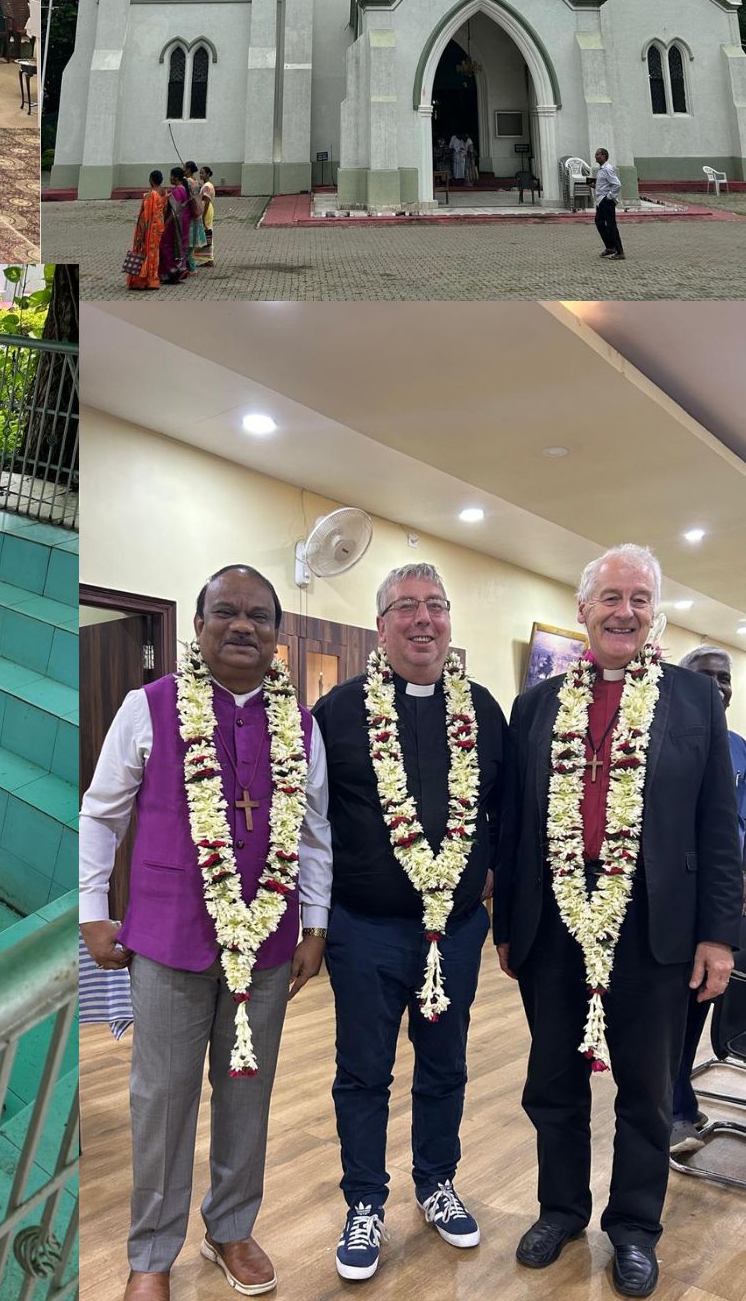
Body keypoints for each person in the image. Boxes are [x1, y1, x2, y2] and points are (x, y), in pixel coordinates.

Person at [80, 565, 332, 1301]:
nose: (242, 626)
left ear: (278, 635)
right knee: (160, 1096)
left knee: (246, 1090)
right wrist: (92, 910)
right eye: (225, 611)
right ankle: (151, 1252)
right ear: (197, 627)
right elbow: (101, 812)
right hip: (165, 936)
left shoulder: (302, 725)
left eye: (258, 615)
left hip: (268, 943)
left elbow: (314, 833)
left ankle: (229, 1228)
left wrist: (314, 922)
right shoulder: (148, 705)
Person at [494, 544, 740, 1297]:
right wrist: (508, 925)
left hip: (656, 924)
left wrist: (718, 936)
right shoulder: (535, 706)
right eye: (609, 597)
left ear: (653, 612)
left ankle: (633, 1228)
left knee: (645, 1086)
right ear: (582, 610)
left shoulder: (692, 702)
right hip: (555, 921)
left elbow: (715, 831)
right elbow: (512, 824)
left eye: (638, 598)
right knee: (553, 1080)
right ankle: (560, 1209)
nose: (623, 611)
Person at [313, 565, 507, 1280]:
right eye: (405, 609)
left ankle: (436, 1183)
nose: (422, 620)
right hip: (365, 929)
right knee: (362, 1073)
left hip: (454, 932)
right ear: (380, 624)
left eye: (434, 607)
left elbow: (504, 814)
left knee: (445, 1065)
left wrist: (492, 890)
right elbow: (311, 824)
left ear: (448, 620)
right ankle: (364, 1200)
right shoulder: (336, 712)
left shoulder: (483, 710)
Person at [669, 646, 746, 1148]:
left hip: (724, 903)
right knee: (670, 1013)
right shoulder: (664, 738)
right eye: (705, 676)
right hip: (672, 902)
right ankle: (674, 1107)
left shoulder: (740, 747)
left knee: (701, 1001)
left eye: (725, 677)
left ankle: (678, 1101)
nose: (716, 686)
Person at [125, 171, 166, 290]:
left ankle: (143, 280)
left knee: (144, 252)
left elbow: (145, 215)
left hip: (148, 229)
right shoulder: (163, 192)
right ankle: (152, 279)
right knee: (154, 254)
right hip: (158, 228)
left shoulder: (150, 195)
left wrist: (141, 233)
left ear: (151, 180)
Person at [594, 148, 624, 260]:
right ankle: (610, 247)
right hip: (601, 201)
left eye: (598, 154)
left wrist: (609, 197)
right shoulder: (601, 169)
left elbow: (617, 184)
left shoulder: (607, 169)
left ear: (604, 156)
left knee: (611, 225)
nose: (596, 156)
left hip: (606, 201)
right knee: (599, 222)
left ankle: (620, 252)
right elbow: (605, 184)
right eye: (596, 155)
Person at [200, 167, 217, 266]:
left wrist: (203, 215)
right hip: (207, 208)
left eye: (202, 173)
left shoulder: (207, 186)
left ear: (207, 174)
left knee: (207, 231)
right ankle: (208, 258)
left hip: (206, 209)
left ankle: (210, 259)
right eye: (200, 173)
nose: (201, 175)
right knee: (208, 231)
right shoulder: (207, 185)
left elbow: (206, 201)